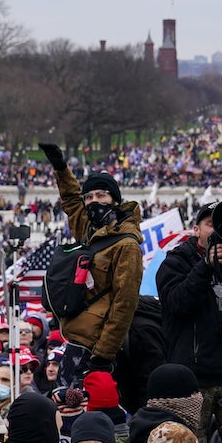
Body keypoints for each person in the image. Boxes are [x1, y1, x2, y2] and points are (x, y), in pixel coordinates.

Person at [39, 144, 144, 381]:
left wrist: (103, 354)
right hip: (76, 336)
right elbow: (71, 201)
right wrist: (60, 168)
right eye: (89, 197)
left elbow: (124, 305)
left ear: (115, 201)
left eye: (101, 195)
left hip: (94, 346)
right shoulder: (89, 231)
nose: (93, 201)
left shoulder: (126, 245)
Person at [159, 201, 222, 431]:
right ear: (196, 230)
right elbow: (176, 304)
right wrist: (206, 266)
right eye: (210, 224)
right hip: (193, 379)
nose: (217, 230)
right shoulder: (175, 263)